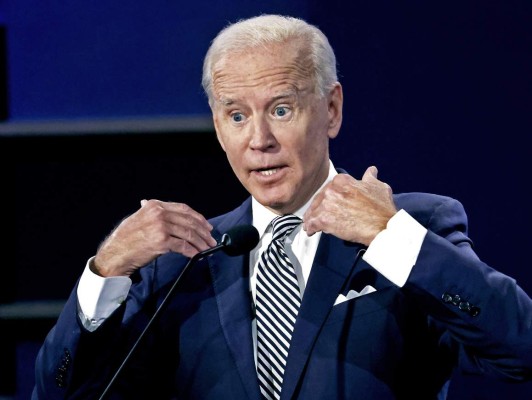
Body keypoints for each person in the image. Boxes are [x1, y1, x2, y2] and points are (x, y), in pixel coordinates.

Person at [32, 14, 531, 400]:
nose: (259, 141)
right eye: (236, 115)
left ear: (331, 109)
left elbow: (520, 350)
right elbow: (63, 394)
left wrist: (392, 237)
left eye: (281, 109)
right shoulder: (185, 264)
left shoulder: (416, 226)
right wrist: (105, 272)